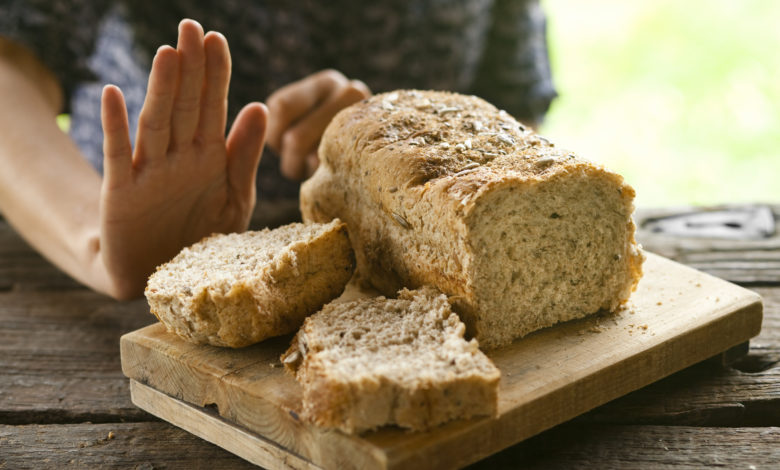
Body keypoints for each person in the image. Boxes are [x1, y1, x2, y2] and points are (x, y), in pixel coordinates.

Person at [0, 1, 556, 300]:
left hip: (393, 282)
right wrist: (94, 239)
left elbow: (510, 112)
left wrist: (377, 147)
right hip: (111, 252)